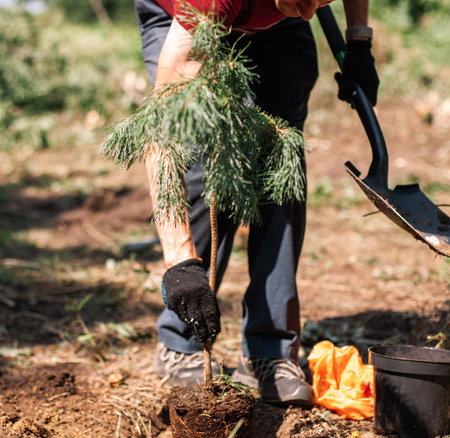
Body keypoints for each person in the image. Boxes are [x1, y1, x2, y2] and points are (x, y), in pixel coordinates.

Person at [136, 0, 379, 406]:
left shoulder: (299, 8)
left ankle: (271, 350)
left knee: (281, 157)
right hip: (188, 17)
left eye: (321, 3)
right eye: (304, 0)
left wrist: (358, 40)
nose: (309, 14)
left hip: (268, 20)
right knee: (200, 163)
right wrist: (179, 263)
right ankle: (180, 342)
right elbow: (161, 131)